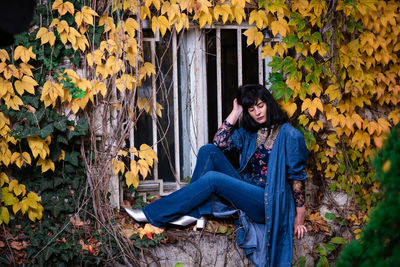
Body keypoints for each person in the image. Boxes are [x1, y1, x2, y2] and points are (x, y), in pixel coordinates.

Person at [125, 84, 308, 267]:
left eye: (260, 106)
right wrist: (236, 113)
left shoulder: (290, 135)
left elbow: (297, 179)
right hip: (248, 188)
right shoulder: (250, 132)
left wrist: (299, 219)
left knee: (213, 179)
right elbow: (219, 142)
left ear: (269, 103)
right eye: (251, 109)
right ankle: (195, 213)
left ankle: (152, 214)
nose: (257, 112)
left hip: (268, 200)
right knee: (208, 150)